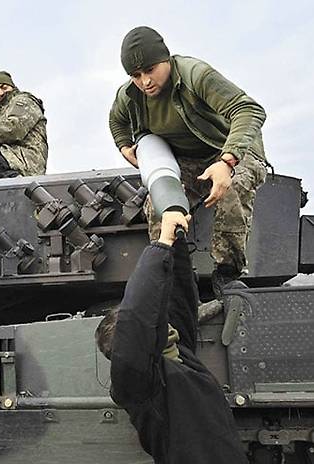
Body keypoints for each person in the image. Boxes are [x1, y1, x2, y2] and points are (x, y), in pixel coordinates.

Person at [108, 26, 268, 308]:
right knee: (159, 206)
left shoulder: (196, 75)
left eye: (150, 70)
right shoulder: (129, 95)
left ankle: (227, 273)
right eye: (135, 76)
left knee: (234, 188)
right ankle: (175, 277)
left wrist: (227, 160)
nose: (145, 81)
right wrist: (124, 147)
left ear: (165, 59)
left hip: (232, 150)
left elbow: (249, 109)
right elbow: (116, 121)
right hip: (186, 161)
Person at [95, 212, 248, 463]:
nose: (161, 323)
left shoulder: (179, 356)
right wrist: (160, 244)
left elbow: (179, 299)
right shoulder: (137, 383)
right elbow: (137, 315)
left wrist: (175, 243)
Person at [0, 71, 48, 180]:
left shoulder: (23, 101)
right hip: (13, 158)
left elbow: (13, 129)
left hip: (27, 162)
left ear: (12, 86)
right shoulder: (4, 112)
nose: (0, 93)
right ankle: (8, 177)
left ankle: (13, 178)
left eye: (3, 87)